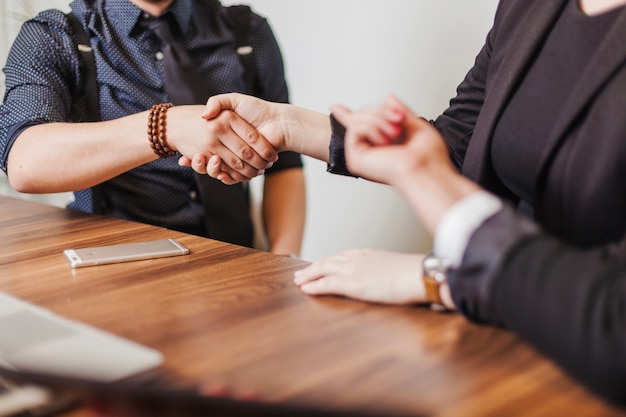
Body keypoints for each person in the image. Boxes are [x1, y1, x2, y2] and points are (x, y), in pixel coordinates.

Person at [182, 0, 626, 406]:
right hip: (499, 347)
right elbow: (459, 145)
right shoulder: (528, 7)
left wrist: (438, 278)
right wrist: (287, 124)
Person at [0, 0, 305, 256]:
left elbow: (285, 164)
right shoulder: (56, 36)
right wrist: (165, 127)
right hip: (115, 266)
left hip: (237, 263)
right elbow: (25, 161)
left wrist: (284, 262)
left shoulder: (248, 33)